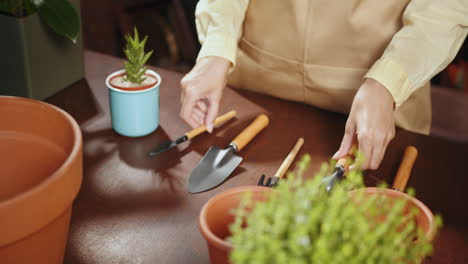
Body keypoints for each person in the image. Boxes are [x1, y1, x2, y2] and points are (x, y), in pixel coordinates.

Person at [179, 0, 468, 170]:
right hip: (256, 85)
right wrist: (216, 46)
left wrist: (387, 82)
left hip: (374, 99)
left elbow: (444, 10)